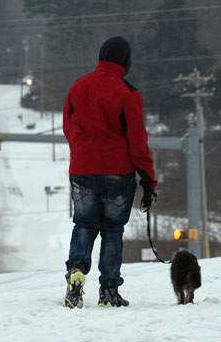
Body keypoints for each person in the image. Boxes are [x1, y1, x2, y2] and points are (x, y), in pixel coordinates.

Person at [62, 36, 157, 309]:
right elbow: (137, 141)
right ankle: (109, 291)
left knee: (84, 224)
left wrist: (82, 154)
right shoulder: (128, 92)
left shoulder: (77, 88)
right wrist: (149, 180)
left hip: (81, 170)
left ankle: (76, 271)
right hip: (117, 173)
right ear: (126, 61)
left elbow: (69, 128)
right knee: (112, 231)